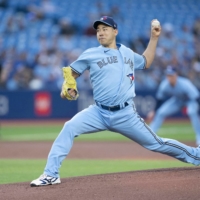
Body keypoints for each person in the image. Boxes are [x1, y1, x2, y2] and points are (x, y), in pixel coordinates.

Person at [30, 16, 200, 187]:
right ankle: (51, 174)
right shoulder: (91, 54)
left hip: (125, 114)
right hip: (98, 112)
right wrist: (67, 88)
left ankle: (196, 155)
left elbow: (146, 62)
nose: (101, 33)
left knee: (156, 143)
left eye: (105, 29)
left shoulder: (126, 52)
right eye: (98, 30)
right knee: (69, 127)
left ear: (115, 31)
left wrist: (154, 38)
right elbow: (70, 75)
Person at [147, 65, 200, 145]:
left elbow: (196, 98)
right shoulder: (165, 85)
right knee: (161, 112)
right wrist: (153, 111)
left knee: (191, 112)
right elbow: (159, 99)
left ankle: (199, 137)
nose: (170, 77)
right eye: (168, 75)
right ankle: (149, 136)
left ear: (176, 75)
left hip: (190, 100)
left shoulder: (185, 83)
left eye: (171, 75)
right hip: (177, 100)